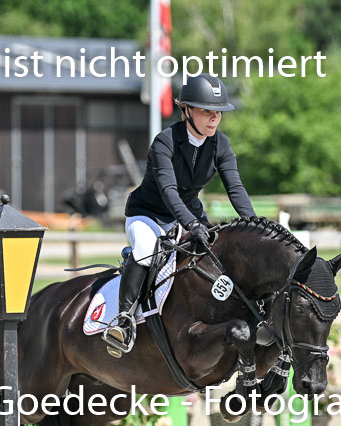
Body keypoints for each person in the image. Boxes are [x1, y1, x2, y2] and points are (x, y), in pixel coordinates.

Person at [103, 73, 256, 356]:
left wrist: (255, 224)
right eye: (207, 111)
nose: (214, 118)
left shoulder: (220, 144)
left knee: (216, 254)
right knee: (146, 250)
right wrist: (192, 223)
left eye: (218, 112)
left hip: (188, 215)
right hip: (148, 214)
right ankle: (123, 321)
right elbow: (169, 191)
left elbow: (235, 188)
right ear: (186, 110)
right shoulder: (165, 142)